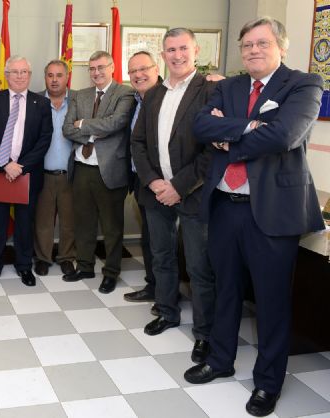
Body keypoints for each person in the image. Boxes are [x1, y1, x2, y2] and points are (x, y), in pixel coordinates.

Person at [184, 17, 325, 417]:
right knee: (226, 290)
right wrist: (249, 126)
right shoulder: (227, 86)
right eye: (246, 45)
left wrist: (228, 140)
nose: (253, 50)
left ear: (281, 46)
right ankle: (219, 359)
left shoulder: (304, 84)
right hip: (225, 206)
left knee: (271, 301)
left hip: (273, 213)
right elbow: (200, 125)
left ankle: (268, 384)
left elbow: (285, 136)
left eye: (261, 43)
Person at [130, 29, 217, 365]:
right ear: (162, 55)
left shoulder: (211, 89)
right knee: (161, 256)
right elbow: (137, 143)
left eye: (183, 48)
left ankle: (205, 332)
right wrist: (153, 182)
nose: (177, 55)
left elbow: (213, 150)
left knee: (198, 266)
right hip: (155, 193)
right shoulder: (153, 94)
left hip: (192, 193)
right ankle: (167, 311)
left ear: (195, 50)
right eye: (170, 50)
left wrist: (178, 185)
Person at [62, 50, 135, 294]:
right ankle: (85, 265)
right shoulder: (80, 95)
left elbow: (116, 123)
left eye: (101, 67)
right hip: (82, 168)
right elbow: (66, 129)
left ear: (112, 67)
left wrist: (82, 124)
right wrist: (96, 129)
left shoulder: (125, 93)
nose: (96, 72)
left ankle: (111, 272)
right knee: (84, 221)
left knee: (112, 225)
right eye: (92, 68)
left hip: (110, 169)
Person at [0, 55, 53, 288]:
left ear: (30, 76)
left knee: (25, 223)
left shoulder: (41, 103)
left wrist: (20, 166)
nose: (20, 76)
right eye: (15, 72)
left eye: (25, 72)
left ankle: (24, 266)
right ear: (6, 75)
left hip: (27, 173)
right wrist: (5, 164)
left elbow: (44, 139)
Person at [123, 51, 162, 311]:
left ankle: (163, 291)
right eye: (133, 71)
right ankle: (155, 285)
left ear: (156, 68)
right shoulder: (136, 100)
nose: (138, 75)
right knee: (150, 236)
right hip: (140, 178)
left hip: (161, 182)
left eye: (143, 69)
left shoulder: (167, 97)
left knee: (160, 239)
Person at [33, 59, 76, 277]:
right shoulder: (35, 101)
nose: (54, 80)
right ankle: (43, 257)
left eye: (59, 75)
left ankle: (67, 257)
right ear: (45, 78)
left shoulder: (79, 100)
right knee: (43, 220)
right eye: (50, 75)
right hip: (43, 173)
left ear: (67, 77)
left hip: (71, 173)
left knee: (69, 220)